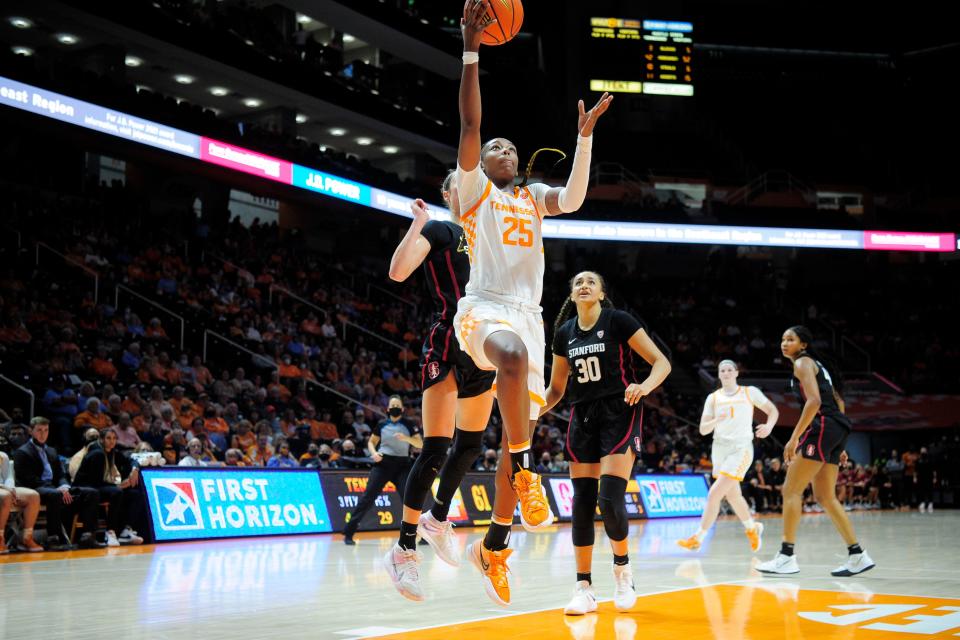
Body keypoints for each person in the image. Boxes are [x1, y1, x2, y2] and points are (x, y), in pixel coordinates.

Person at [455, 0, 613, 606]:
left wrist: (583, 139)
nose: (499, 146)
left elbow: (574, 198)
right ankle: (526, 473)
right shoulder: (474, 193)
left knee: (517, 415)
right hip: (484, 309)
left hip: (529, 317)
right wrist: (471, 50)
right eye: (493, 145)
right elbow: (470, 126)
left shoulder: (530, 197)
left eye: (507, 146)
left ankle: (494, 544)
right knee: (514, 362)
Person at [382, 173, 497, 600]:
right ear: (449, 194)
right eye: (459, 185)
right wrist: (417, 222)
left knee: (471, 445)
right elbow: (397, 272)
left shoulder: (492, 234)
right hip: (449, 343)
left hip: (484, 351)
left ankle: (437, 519)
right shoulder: (442, 230)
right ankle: (404, 549)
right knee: (435, 447)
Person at [542, 271, 671, 615]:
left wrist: (644, 386)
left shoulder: (618, 321)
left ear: (601, 293)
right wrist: (528, 410)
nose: (583, 285)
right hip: (582, 415)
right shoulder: (564, 333)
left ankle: (622, 571)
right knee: (582, 504)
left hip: (620, 410)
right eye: (577, 282)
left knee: (609, 500)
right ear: (572, 294)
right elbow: (556, 390)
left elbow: (661, 362)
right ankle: (583, 586)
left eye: (591, 282)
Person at [757, 326, 875, 576]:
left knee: (791, 489)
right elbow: (838, 401)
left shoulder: (802, 364)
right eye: (782, 339)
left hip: (824, 425)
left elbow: (815, 402)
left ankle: (786, 556)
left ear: (803, 345)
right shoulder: (817, 365)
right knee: (824, 496)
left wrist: (793, 438)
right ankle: (858, 555)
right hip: (836, 426)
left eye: (790, 339)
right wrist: (839, 443)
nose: (784, 343)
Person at [677, 360, 779, 553]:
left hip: (740, 449)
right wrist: (717, 419)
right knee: (733, 495)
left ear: (736, 372)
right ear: (719, 374)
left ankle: (698, 537)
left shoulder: (749, 392)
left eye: (729, 369)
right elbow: (703, 429)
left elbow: (772, 410)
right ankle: (752, 528)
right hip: (719, 449)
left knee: (714, 494)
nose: (726, 372)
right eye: (722, 370)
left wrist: (769, 426)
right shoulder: (713, 398)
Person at [12, 417, 104, 550]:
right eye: (39, 430)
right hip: (34, 489)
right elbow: (29, 479)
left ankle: (87, 536)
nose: (43, 434)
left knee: (91, 493)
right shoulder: (22, 452)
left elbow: (61, 475)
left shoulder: (51, 451)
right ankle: (53, 539)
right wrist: (58, 489)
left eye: (46, 430)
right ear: (31, 431)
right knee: (54, 494)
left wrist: (64, 486)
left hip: (55, 489)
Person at [342, 396, 421, 545]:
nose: (395, 407)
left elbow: (420, 443)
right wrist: (374, 453)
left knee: (410, 501)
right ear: (388, 409)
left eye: (398, 405)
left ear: (402, 409)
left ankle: (422, 535)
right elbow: (371, 442)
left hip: (402, 465)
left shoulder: (409, 425)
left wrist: (406, 438)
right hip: (383, 464)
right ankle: (348, 532)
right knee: (367, 498)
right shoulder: (382, 424)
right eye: (393, 405)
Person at [73, 428, 144, 546]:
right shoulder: (97, 453)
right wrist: (118, 485)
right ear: (101, 439)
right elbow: (96, 482)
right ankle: (110, 532)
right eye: (108, 438)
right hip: (85, 488)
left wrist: (134, 469)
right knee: (116, 492)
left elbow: (130, 460)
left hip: (99, 487)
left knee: (134, 494)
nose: (112, 441)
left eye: (114, 438)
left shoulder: (112, 451)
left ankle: (124, 531)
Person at [0, 450, 43, 552]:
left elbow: (9, 477)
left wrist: (11, 489)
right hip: (3, 490)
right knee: (6, 496)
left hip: (6, 489)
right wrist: (6, 489)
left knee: (33, 496)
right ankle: (0, 539)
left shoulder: (2, 455)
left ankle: (26, 538)